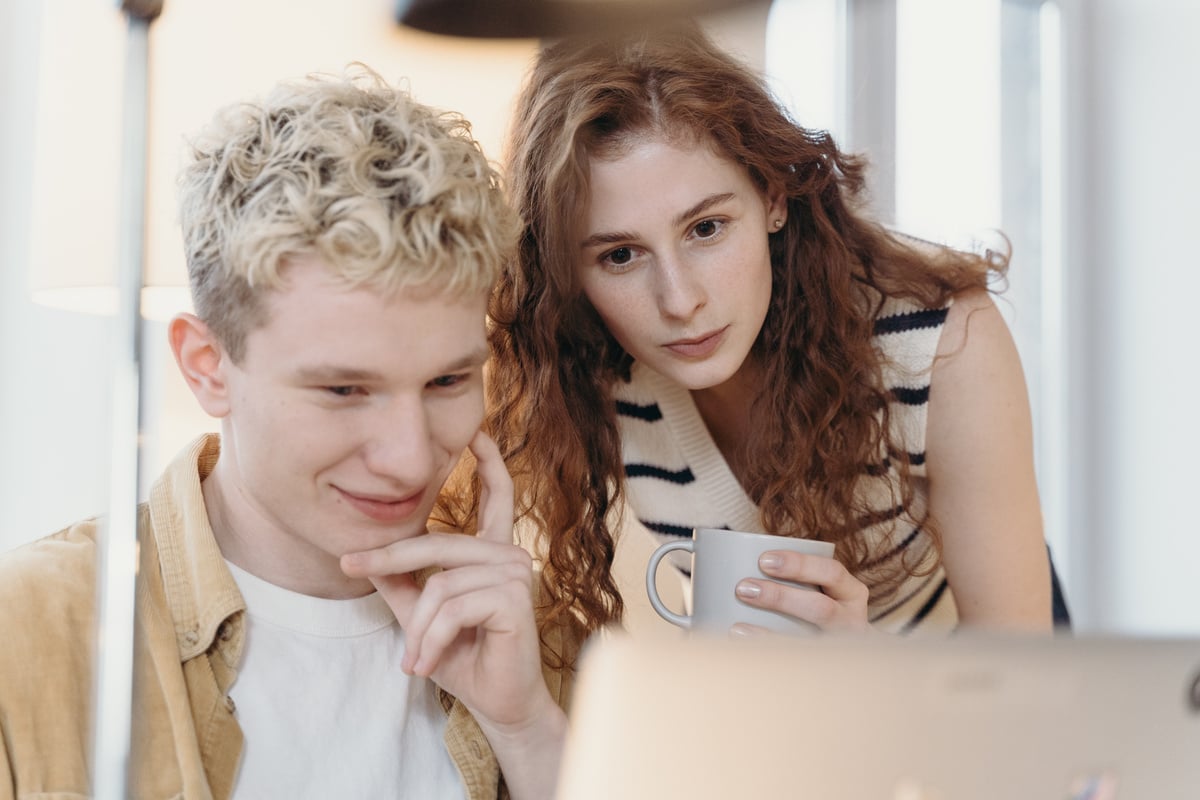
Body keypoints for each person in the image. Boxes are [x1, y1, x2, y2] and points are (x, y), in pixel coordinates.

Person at [0, 69, 579, 800]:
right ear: (208, 367)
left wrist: (524, 729)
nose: (409, 460)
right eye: (343, 390)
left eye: (447, 382)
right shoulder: (27, 634)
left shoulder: (540, 643)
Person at [489, 22, 1057, 638]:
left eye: (706, 228)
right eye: (620, 255)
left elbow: (1016, 679)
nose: (679, 301)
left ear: (773, 197)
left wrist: (863, 677)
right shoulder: (585, 376)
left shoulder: (938, 339)